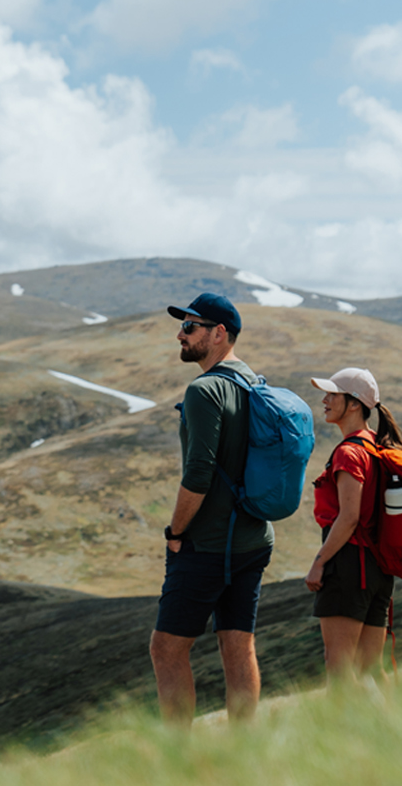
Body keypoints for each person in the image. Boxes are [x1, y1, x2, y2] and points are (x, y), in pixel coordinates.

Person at [150, 292, 272, 725]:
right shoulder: (253, 384)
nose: (180, 334)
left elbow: (198, 474)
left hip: (208, 543)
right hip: (254, 539)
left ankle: (179, 760)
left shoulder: (204, 390)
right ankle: (243, 752)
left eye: (190, 326)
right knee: (238, 643)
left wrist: (176, 532)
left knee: (166, 648)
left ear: (219, 334)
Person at [304, 367, 402, 685]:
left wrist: (319, 563)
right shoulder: (377, 447)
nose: (324, 400)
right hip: (378, 571)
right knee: (371, 668)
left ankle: (342, 735)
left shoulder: (349, 453)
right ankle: (395, 730)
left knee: (339, 665)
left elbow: (349, 517)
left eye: (332, 394)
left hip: (350, 567)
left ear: (353, 404)